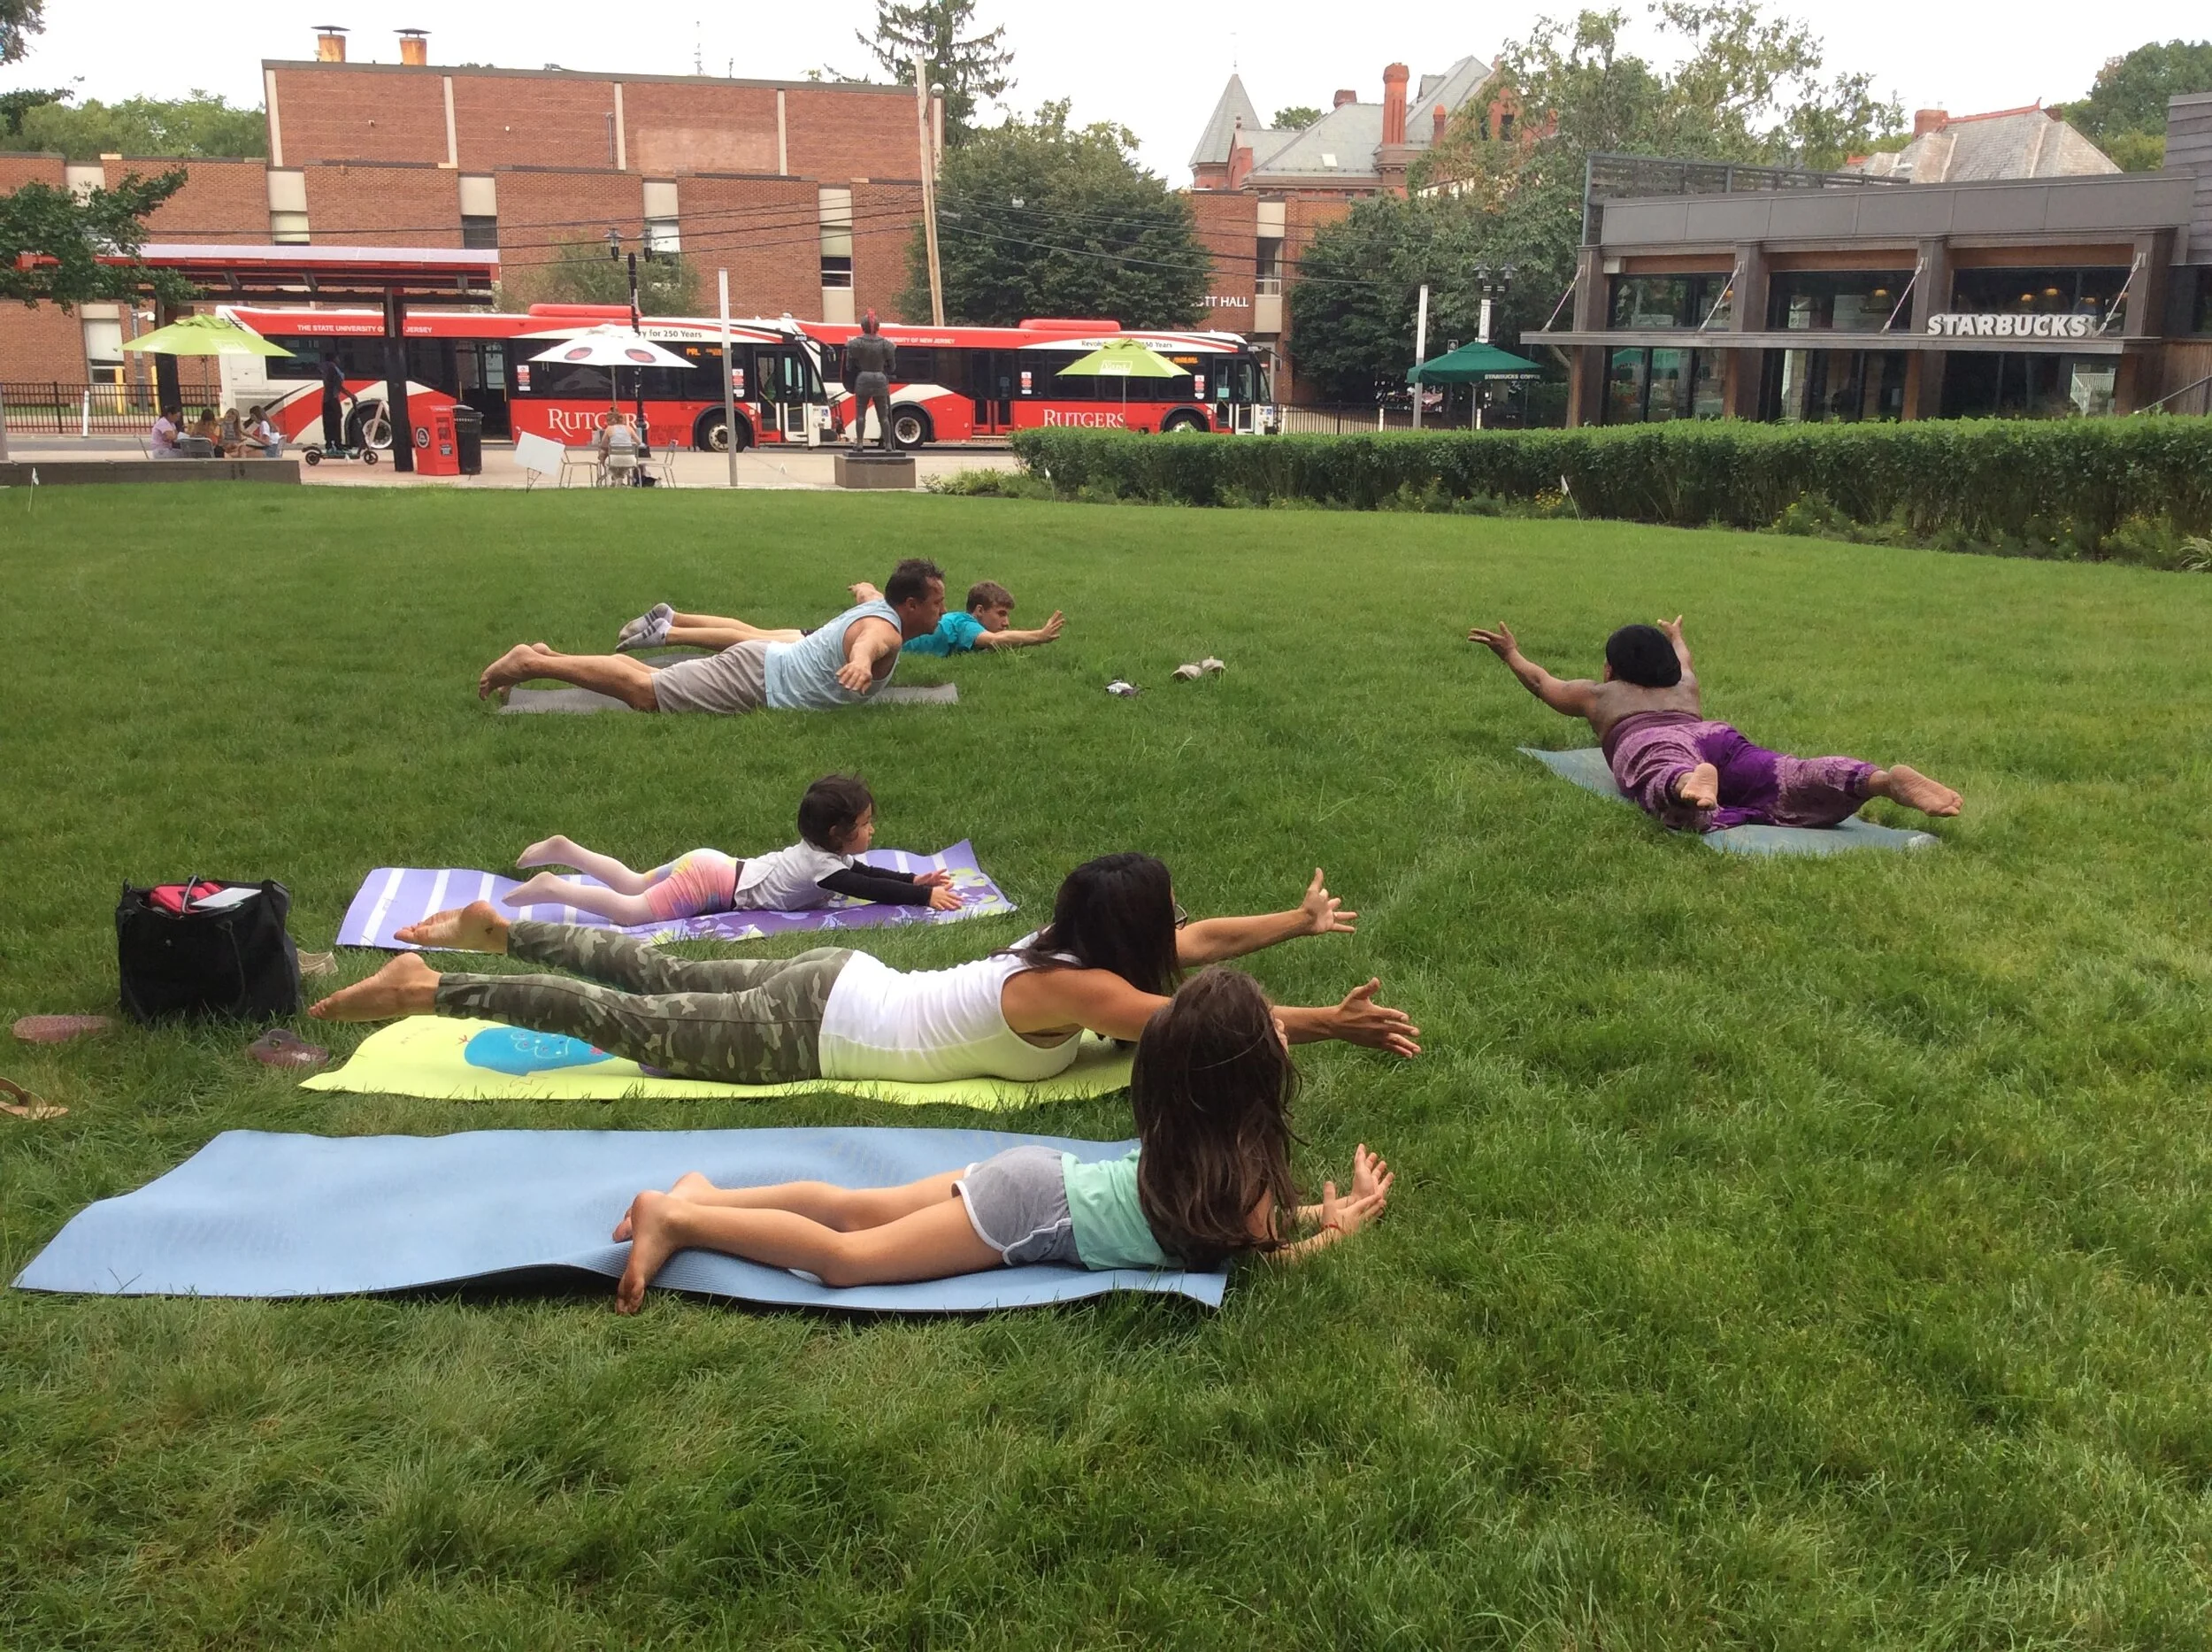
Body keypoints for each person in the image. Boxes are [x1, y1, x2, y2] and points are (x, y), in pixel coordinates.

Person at [603, 968, 1395, 1311]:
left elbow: (1252, 1234)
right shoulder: (1236, 1166)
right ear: (1245, 1082)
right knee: (846, 1262)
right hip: (1027, 1212)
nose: (1288, 1040)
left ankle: (707, 1195)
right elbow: (1266, 1257)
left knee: (855, 1206)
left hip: (1038, 1180)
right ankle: (682, 1219)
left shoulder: (1212, 1157)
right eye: (1275, 1035)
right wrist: (1336, 1228)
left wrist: (1314, 1216)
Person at [309, 854, 1422, 1091]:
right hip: (814, 1035)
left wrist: (1298, 917)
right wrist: (1329, 1022)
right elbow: (1205, 1026)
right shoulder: (1090, 990)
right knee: (625, 1021)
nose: (1178, 923)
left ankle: (503, 932)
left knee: (647, 976)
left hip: (840, 978)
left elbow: (1208, 946)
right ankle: (434, 986)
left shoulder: (1071, 948)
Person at [1468, 616, 1963, 832]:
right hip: (1717, 737)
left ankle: (1689, 783)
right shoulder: (1685, 685)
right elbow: (1684, 656)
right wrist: (1677, 636)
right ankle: (1876, 780)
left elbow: (1541, 683)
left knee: (1661, 771)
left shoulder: (1599, 695)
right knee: (1783, 771)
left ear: (1609, 669)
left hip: (1655, 741)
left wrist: (1511, 653)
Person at [475, 557, 947, 715]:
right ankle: (530, 663)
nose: (942, 611)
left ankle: (548, 655)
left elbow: (867, 595)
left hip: (764, 663)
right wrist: (862, 663)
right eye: (937, 603)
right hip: (759, 679)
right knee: (645, 693)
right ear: (908, 606)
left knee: (644, 675)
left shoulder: (875, 605)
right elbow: (871, 642)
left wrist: (862, 587)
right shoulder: (886, 629)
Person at [503, 773, 962, 926]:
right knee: (631, 913)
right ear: (838, 832)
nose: (872, 831)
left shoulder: (826, 854)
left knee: (634, 882)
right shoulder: (826, 869)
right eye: (865, 826)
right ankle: (554, 888)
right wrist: (921, 898)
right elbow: (865, 888)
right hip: (711, 883)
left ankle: (568, 849)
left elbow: (869, 875)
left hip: (714, 862)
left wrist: (913, 880)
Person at [618, 579, 1064, 657]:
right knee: (754, 643)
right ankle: (670, 632)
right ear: (979, 612)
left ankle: (675, 616)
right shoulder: (964, 627)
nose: (1004, 624)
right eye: (1001, 616)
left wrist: (864, 590)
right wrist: (1038, 637)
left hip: (850, 629)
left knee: (754, 632)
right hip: (850, 641)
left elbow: (875, 594)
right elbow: (996, 643)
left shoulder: (940, 617)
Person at [843, 311, 896, 453]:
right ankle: (888, 444)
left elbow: (848, 367)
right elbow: (892, 368)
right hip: (880, 379)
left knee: (861, 414)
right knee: (883, 415)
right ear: (878, 327)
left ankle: (860, 443)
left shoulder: (855, 344)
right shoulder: (887, 345)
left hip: (863, 379)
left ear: (862, 326)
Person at [594, 410, 640, 484]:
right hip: (630, 459)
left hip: (613, 459)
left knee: (603, 456)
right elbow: (639, 442)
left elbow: (602, 444)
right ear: (624, 421)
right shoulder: (630, 429)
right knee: (623, 462)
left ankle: (614, 476)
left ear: (615, 420)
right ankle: (621, 475)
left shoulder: (609, 429)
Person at [319, 355, 350, 453]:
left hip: (327, 399)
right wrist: (350, 395)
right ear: (334, 358)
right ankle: (337, 444)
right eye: (338, 358)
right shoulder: (333, 368)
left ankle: (330, 444)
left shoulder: (325, 367)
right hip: (332, 399)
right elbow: (337, 385)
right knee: (336, 421)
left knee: (329, 422)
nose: (339, 359)